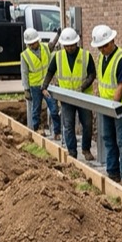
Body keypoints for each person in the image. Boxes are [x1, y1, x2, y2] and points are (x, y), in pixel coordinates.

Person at [91, 24, 122, 188]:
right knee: (108, 138)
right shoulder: (101, 57)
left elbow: (121, 85)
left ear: (112, 41)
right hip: (108, 105)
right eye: (99, 47)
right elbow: (103, 80)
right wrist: (100, 98)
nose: (102, 50)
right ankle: (113, 173)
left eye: (104, 46)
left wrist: (112, 105)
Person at [41, 27, 96, 161]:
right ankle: (72, 152)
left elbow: (92, 74)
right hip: (66, 97)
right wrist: (44, 86)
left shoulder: (85, 55)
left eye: (71, 45)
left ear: (76, 43)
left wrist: (83, 86)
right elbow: (50, 72)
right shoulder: (58, 56)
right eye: (66, 46)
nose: (69, 48)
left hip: (83, 97)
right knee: (68, 125)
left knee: (87, 124)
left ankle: (86, 149)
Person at [20, 29, 61, 140]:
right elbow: (24, 73)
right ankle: (37, 129)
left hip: (47, 85)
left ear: (38, 40)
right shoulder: (25, 55)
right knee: (36, 109)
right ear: (27, 44)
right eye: (31, 43)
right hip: (35, 86)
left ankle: (57, 131)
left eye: (34, 42)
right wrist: (26, 89)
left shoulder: (44, 47)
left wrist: (58, 35)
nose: (33, 45)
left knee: (54, 108)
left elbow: (52, 45)